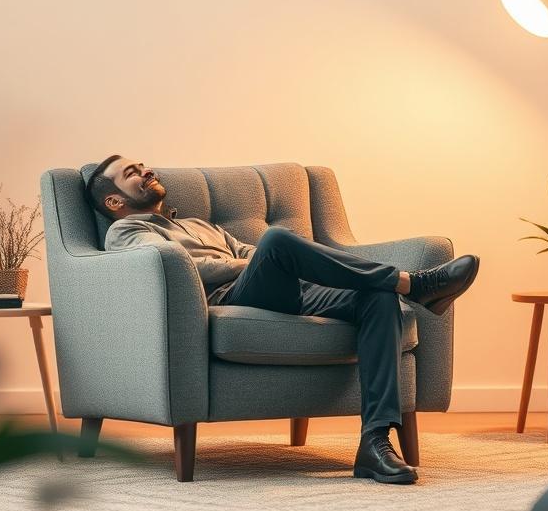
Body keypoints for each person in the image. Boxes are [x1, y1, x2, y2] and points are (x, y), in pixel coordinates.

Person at [86, 155, 481, 485]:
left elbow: (251, 252)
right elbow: (188, 268)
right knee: (277, 242)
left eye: (142, 166)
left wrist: (270, 262)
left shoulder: (198, 224)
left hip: (288, 290)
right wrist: (252, 263)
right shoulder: (127, 230)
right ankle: (415, 284)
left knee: (377, 299)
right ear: (114, 202)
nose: (145, 171)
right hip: (230, 299)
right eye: (131, 173)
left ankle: (374, 443)